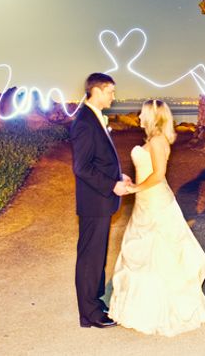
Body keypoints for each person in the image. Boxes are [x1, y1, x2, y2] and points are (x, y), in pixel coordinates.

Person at [107, 99, 205, 336]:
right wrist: (132, 182)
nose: (139, 117)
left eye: (143, 113)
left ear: (153, 117)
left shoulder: (156, 140)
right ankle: (140, 307)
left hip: (155, 200)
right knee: (143, 250)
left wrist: (135, 188)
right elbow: (146, 172)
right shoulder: (152, 140)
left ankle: (157, 311)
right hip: (146, 200)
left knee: (158, 252)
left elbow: (158, 174)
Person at [70, 72, 132, 328]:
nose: (113, 97)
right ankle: (90, 314)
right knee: (90, 258)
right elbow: (82, 167)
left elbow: (100, 159)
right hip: (94, 201)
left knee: (97, 256)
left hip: (100, 201)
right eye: (110, 92)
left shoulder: (93, 117)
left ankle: (94, 303)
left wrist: (118, 175)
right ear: (96, 91)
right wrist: (112, 185)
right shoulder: (84, 122)